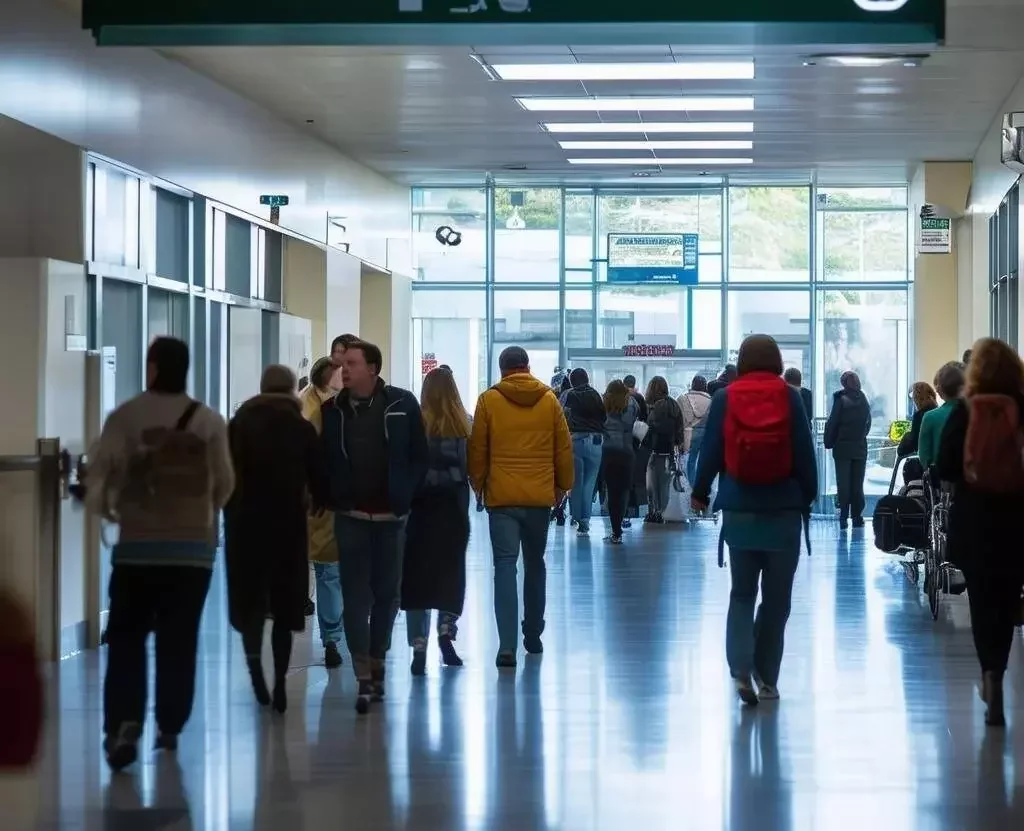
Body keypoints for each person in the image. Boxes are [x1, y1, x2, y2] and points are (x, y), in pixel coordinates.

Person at [85, 337, 234, 770]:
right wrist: (202, 517)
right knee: (179, 638)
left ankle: (123, 724)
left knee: (127, 640)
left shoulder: (126, 417)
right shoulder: (207, 420)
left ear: (151, 368)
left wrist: (113, 511)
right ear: (185, 369)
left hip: (136, 551)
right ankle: (170, 723)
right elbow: (224, 483)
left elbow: (99, 475)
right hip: (191, 554)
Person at [691, 334, 817, 706]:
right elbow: (804, 454)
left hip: (740, 508)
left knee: (742, 593)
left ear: (743, 361)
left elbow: (712, 448)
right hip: (783, 511)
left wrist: (700, 492)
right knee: (777, 601)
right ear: (777, 361)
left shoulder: (725, 397)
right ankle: (768, 678)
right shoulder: (790, 397)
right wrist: (805, 497)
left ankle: (740, 668)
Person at [321, 340, 429, 714]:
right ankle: (363, 675)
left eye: (351, 363)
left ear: (373, 368)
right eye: (342, 364)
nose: (344, 370)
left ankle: (378, 661)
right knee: (355, 597)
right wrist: (328, 492)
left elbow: (420, 455)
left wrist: (408, 494)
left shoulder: (401, 404)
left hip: (391, 518)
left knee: (388, 595)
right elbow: (324, 458)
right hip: (350, 515)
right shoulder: (331, 410)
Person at [225, 365, 328, 714]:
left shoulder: (238, 425)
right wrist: (317, 501)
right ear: (289, 390)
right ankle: (281, 680)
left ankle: (256, 671)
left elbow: (225, 475)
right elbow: (319, 477)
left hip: (244, 526)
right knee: (285, 606)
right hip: (287, 527)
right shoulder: (300, 428)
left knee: (251, 601)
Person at [935, 337, 1024, 727]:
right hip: (1016, 519)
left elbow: (944, 469)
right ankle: (999, 672)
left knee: (982, 601)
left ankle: (989, 674)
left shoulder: (963, 411)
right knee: (1007, 600)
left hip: (974, 519)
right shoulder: (1020, 408)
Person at [469, 346, 573, 668]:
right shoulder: (549, 400)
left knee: (504, 566)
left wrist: (479, 484)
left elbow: (477, 450)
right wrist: (561, 487)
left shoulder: (489, 400)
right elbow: (563, 449)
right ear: (527, 367)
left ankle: (506, 647)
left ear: (502, 370)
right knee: (535, 564)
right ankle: (533, 635)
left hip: (502, 499)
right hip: (538, 499)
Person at [401, 368, 471, 676]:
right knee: (451, 574)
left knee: (416, 577)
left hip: (418, 511)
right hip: (454, 510)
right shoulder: (466, 424)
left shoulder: (412, 424)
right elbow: (472, 467)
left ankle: (418, 644)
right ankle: (446, 630)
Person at [299, 356, 345, 667]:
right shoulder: (316, 406)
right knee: (329, 569)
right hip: (323, 496)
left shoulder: (310, 403)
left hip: (326, 495)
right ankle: (332, 637)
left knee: (331, 570)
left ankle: (334, 635)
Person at [559, 367, 606, 537]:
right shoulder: (596, 395)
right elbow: (603, 417)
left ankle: (578, 518)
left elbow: (560, 416)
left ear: (572, 381)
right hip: (596, 441)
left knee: (576, 482)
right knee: (590, 482)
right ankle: (585, 520)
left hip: (575, 440)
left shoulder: (568, 395)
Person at [823, 370, 871, 530]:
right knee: (857, 484)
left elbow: (833, 422)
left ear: (844, 383)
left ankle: (843, 517)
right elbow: (868, 422)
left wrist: (829, 441)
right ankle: (857, 517)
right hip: (860, 447)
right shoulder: (863, 398)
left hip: (842, 448)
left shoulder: (841, 399)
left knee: (843, 483)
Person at [601, 380, 639, 545]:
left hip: (608, 451)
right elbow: (638, 422)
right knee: (623, 491)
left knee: (611, 491)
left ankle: (615, 530)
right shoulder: (632, 403)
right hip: (627, 451)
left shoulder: (604, 403)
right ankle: (619, 528)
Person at [644, 375, 684, 524]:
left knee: (650, 483)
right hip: (669, 450)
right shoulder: (674, 405)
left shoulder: (649, 405)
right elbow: (680, 426)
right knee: (664, 484)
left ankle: (652, 512)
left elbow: (646, 426)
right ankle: (662, 512)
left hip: (651, 450)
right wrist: (678, 443)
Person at [918, 362, 965, 469]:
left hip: (942, 479)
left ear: (940, 390)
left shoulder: (930, 417)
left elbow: (924, 456)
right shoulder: (975, 413)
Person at [678, 375, 712, 486]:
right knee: (702, 461)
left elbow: (679, 419)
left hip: (688, 433)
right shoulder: (711, 400)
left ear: (692, 384)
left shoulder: (683, 398)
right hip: (706, 434)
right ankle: (701, 484)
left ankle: (691, 484)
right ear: (705, 386)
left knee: (690, 460)